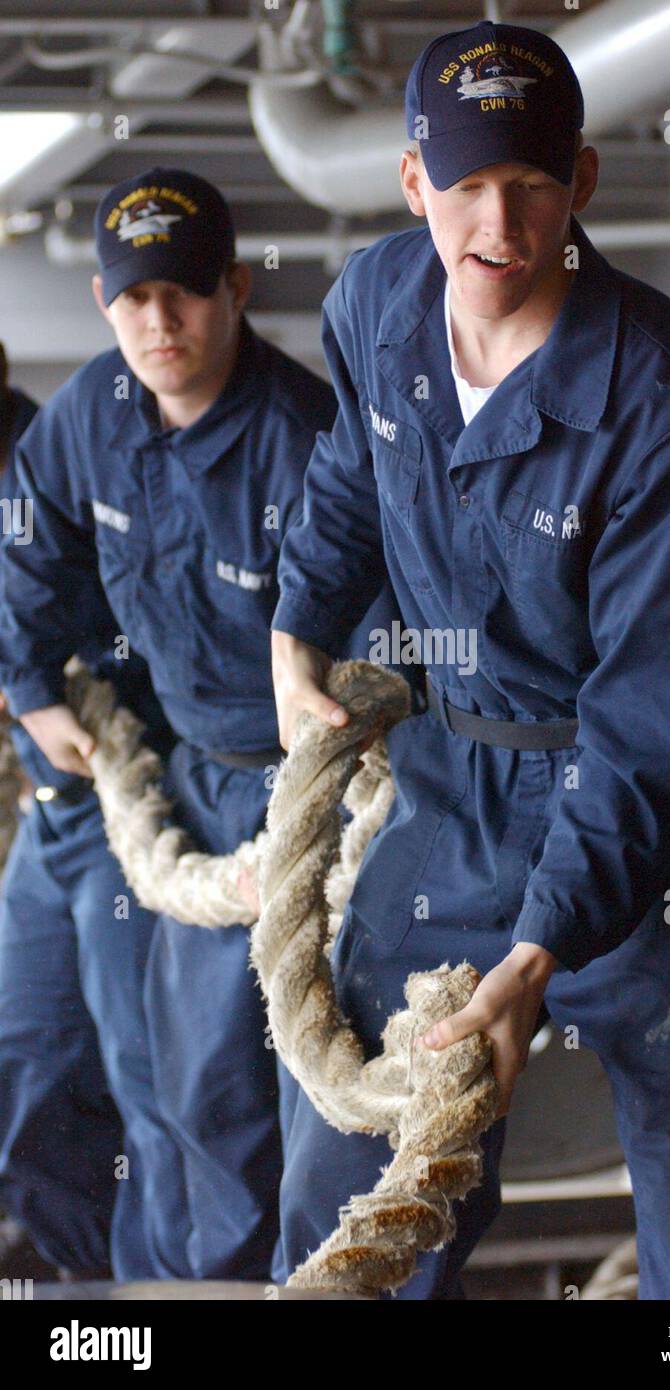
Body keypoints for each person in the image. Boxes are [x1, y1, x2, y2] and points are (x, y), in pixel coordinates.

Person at [269, 21, 670, 1300]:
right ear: (412, 185)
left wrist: (537, 955)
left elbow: (647, 718)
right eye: (463, 188)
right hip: (456, 789)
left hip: (657, 816)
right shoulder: (374, 305)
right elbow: (350, 479)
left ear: (583, 181)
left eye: (532, 182)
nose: (497, 222)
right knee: (353, 1169)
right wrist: (298, 633)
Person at [0, 167, 395, 1279]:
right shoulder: (90, 416)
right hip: (182, 778)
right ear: (100, 301)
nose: (158, 323)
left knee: (317, 1096)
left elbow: (383, 642)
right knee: (189, 1088)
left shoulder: (307, 438)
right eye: (133, 300)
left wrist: (339, 794)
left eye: (181, 293)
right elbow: (32, 547)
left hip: (309, 790)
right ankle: (178, 1299)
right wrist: (30, 683)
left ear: (234, 289)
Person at [0, 344, 189, 1280]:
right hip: (45, 821)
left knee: (150, 1087)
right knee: (25, 1066)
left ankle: (145, 1306)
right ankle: (82, 1285)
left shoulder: (53, 464)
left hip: (126, 815)